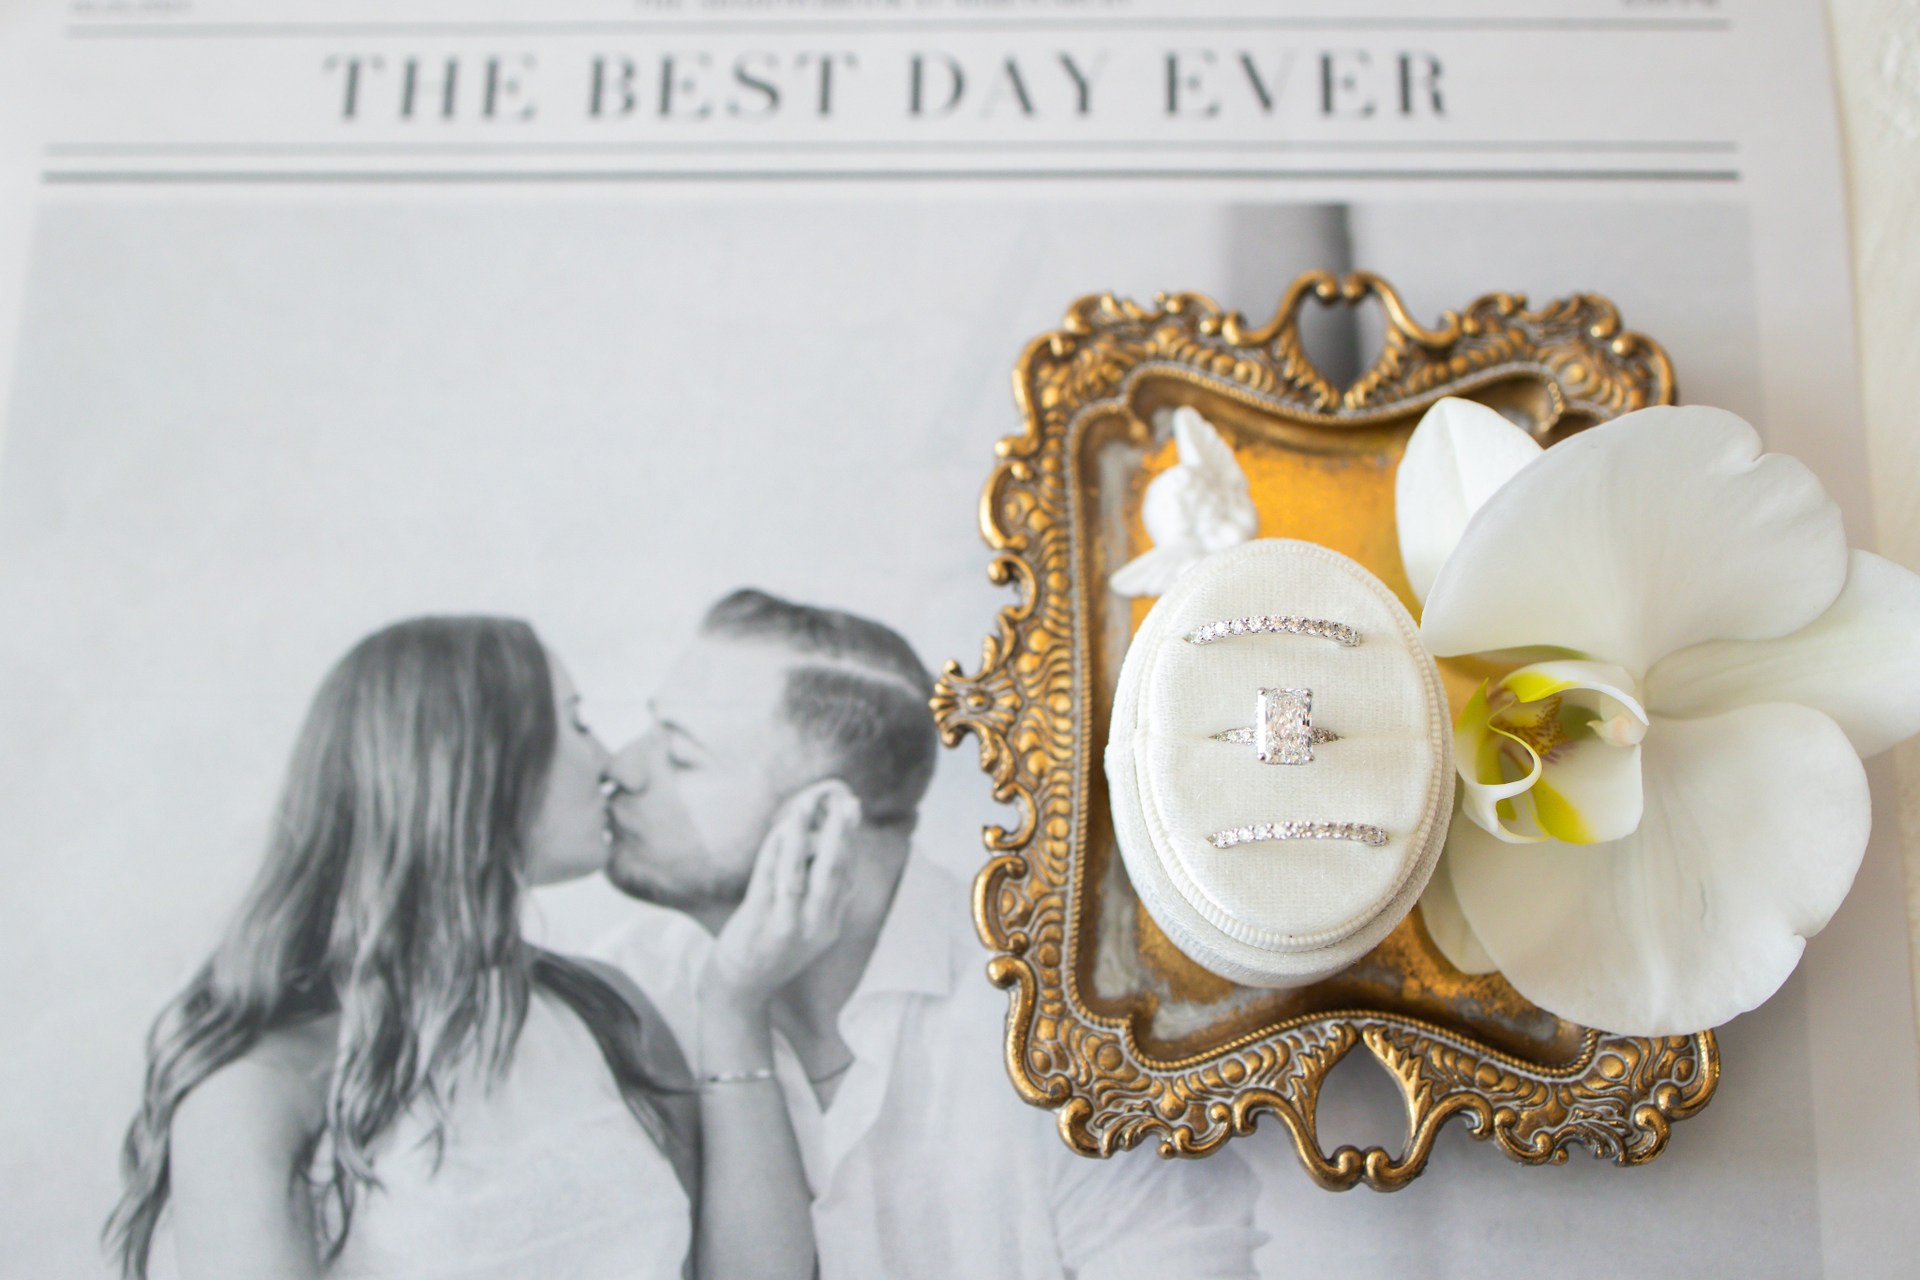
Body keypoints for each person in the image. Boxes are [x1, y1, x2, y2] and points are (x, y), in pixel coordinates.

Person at [106, 615, 843, 1280]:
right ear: (478, 764)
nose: (610, 763)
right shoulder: (259, 1086)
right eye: (576, 723)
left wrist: (735, 1001)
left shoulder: (606, 1012)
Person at [601, 589, 1261, 1280]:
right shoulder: (626, 996)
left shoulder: (1074, 1028)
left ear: (820, 822)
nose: (621, 769)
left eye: (680, 756)